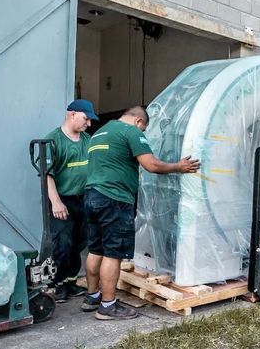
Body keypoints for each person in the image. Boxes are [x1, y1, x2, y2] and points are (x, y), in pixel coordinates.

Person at [81, 106, 200, 320]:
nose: (142, 133)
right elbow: (151, 165)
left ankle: (92, 297)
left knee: (95, 249)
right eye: (144, 129)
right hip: (114, 198)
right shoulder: (131, 132)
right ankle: (108, 306)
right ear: (138, 121)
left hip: (92, 196)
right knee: (112, 253)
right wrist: (179, 167)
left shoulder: (99, 133)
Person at [45, 99, 99, 302]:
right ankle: (56, 284)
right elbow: (47, 175)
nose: (89, 124)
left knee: (79, 241)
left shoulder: (87, 140)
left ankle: (70, 282)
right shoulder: (53, 140)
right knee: (62, 243)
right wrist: (56, 202)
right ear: (71, 115)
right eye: (86, 119)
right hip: (63, 200)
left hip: (83, 199)